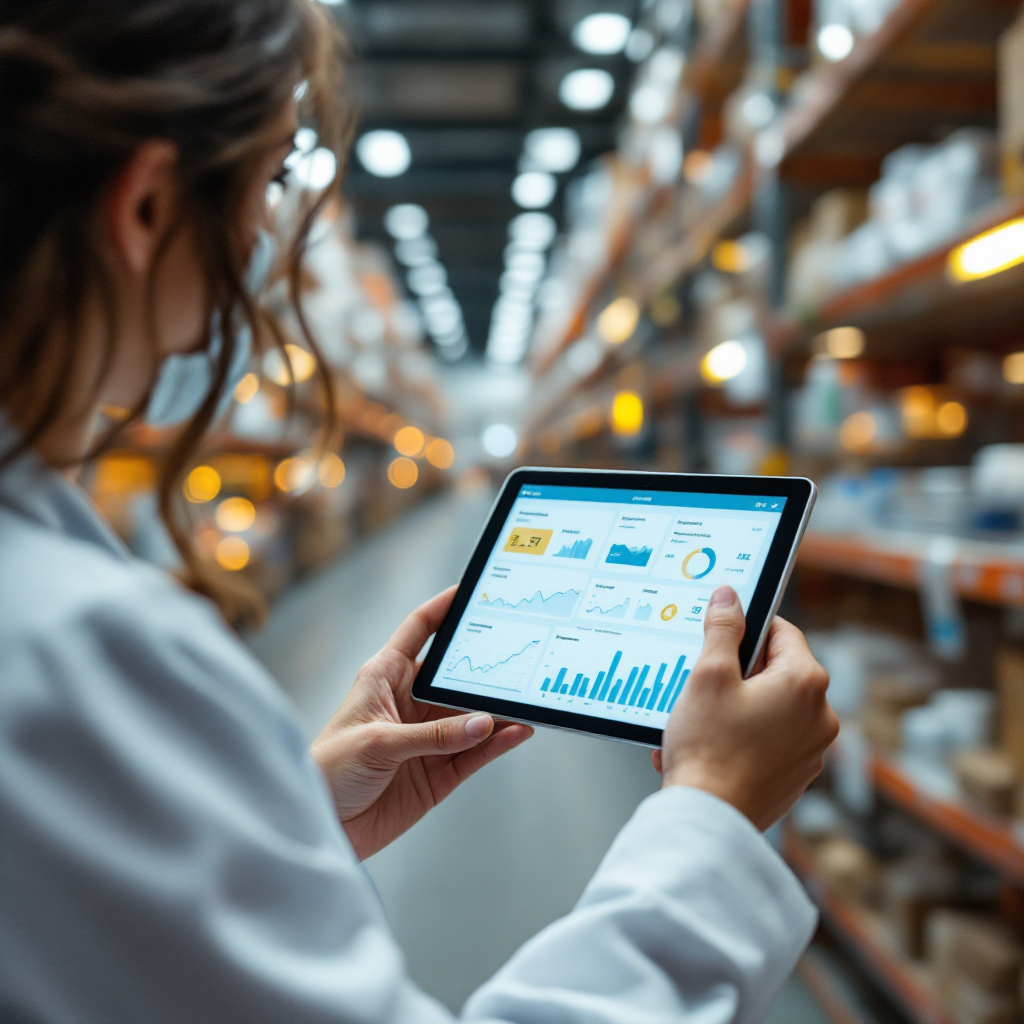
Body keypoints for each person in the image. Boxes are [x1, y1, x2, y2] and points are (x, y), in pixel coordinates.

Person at [0, 2, 840, 1022]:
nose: (269, 232)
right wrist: (711, 809)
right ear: (144, 209)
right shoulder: (75, 651)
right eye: (270, 182)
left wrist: (293, 816)